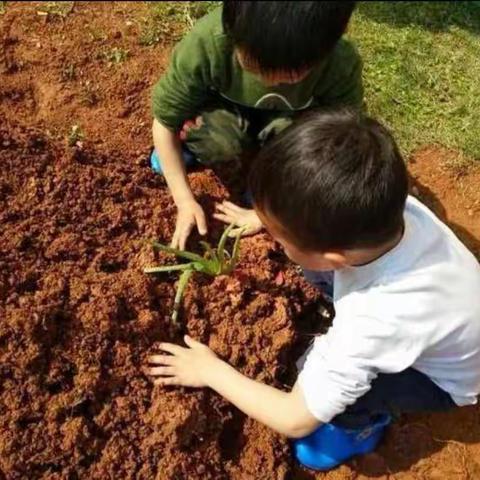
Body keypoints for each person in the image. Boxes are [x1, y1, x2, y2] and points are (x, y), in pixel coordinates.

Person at [146, 110, 480, 470]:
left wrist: (210, 371)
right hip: (445, 319)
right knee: (313, 283)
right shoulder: (392, 208)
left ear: (334, 257)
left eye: (279, 235)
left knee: (329, 386)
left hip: (442, 380)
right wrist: (270, 215)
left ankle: (360, 427)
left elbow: (294, 418)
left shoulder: (373, 325)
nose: (274, 238)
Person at [151, 1, 362, 249]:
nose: (270, 82)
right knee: (215, 143)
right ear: (231, 27)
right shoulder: (207, 43)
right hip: (222, 110)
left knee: (299, 154)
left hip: (289, 119)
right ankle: (186, 149)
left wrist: (267, 214)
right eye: (253, 67)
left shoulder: (339, 63)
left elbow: (342, 143)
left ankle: (262, 170)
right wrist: (184, 200)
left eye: (292, 74)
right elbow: (165, 122)